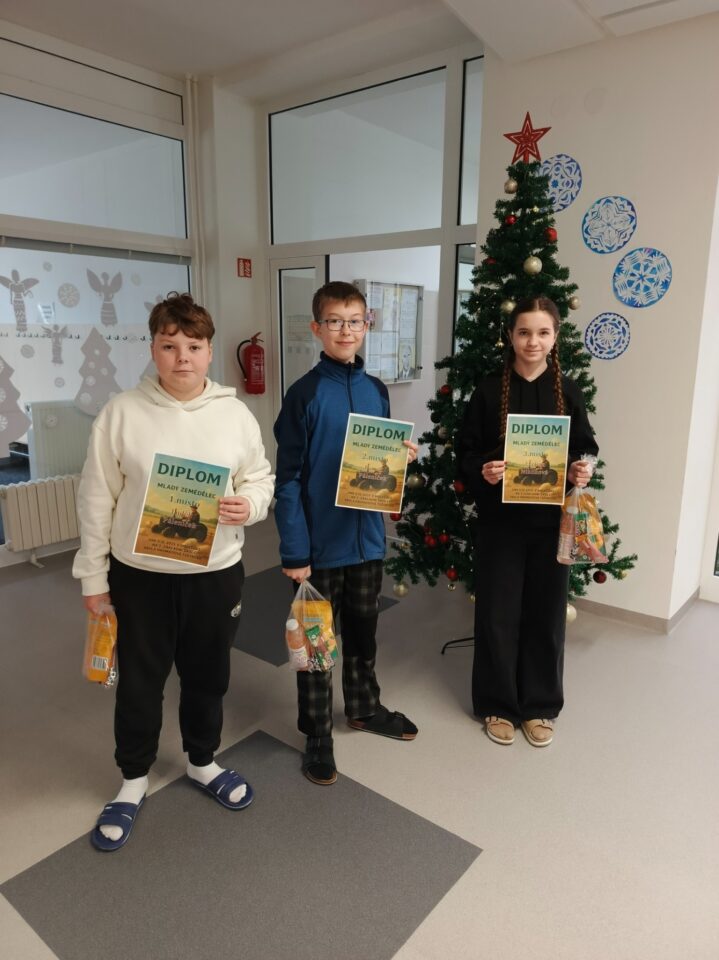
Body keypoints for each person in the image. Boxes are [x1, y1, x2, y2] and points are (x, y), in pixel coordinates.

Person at [73, 293, 274, 850]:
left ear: (209, 351)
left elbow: (260, 477)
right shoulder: (121, 413)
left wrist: (249, 505)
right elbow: (96, 500)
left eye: (194, 346)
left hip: (215, 573)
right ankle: (133, 778)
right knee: (140, 680)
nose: (182, 357)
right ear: (153, 349)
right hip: (140, 575)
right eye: (169, 346)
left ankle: (202, 761)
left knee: (208, 674)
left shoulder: (235, 414)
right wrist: (94, 580)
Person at [273, 281, 419, 785]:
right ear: (317, 328)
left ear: (366, 325)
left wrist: (400, 458)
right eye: (334, 321)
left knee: (363, 632)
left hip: (367, 542)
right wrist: (295, 550)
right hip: (318, 549)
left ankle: (363, 707)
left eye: (354, 321)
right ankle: (317, 733)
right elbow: (288, 479)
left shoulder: (377, 390)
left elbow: (378, 464)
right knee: (316, 646)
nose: (345, 330)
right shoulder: (305, 394)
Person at [457, 297, 597, 748]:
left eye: (542, 332)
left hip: (551, 525)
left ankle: (539, 705)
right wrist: (483, 470)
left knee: (546, 614)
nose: (532, 341)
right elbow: (464, 453)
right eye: (523, 332)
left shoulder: (568, 392)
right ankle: (498, 703)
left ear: (555, 337)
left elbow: (586, 447)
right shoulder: (487, 390)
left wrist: (582, 468)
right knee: (496, 614)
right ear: (510, 336)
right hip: (500, 523)